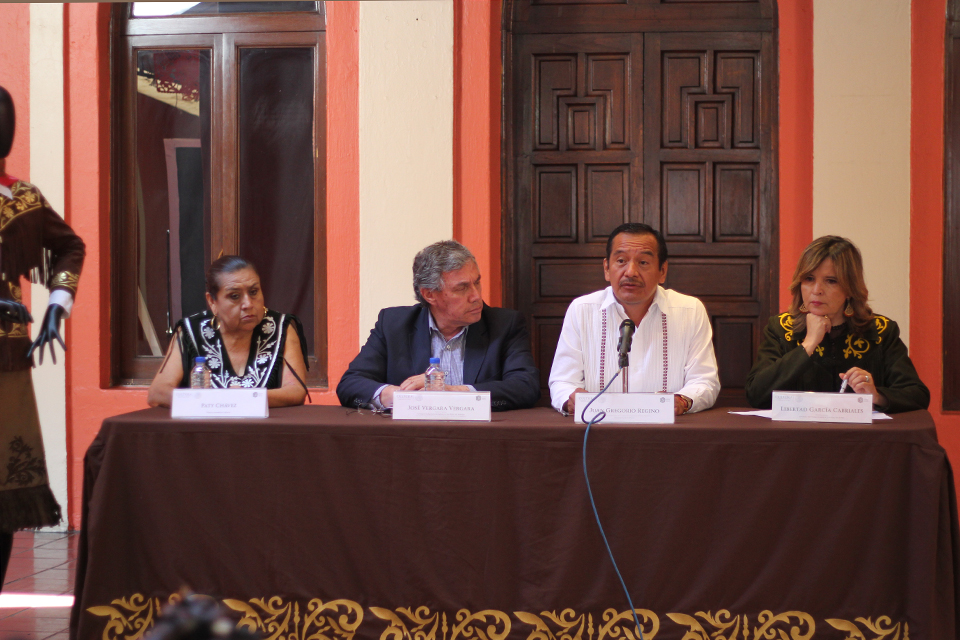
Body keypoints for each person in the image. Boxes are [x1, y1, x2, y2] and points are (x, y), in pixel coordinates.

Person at [0, 85, 85, 589]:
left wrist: (57, 304)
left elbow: (70, 245)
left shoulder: (24, 197)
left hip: (9, 358)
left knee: (8, 495)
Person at [336, 240, 540, 411]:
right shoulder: (393, 324)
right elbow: (350, 384)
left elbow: (526, 387)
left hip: (479, 437)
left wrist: (453, 392)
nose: (476, 296)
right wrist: (399, 396)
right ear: (429, 295)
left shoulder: (504, 325)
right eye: (462, 288)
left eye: (477, 282)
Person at [549, 222, 720, 415]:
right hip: (597, 427)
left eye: (643, 262)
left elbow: (704, 381)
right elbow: (562, 381)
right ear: (606, 268)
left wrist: (682, 401)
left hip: (667, 429)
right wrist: (570, 398)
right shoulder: (582, 310)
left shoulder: (690, 310)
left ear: (662, 271)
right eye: (621, 260)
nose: (630, 272)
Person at [745, 236, 929, 413]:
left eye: (831, 281)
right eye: (809, 279)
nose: (817, 290)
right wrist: (808, 344)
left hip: (860, 434)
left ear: (850, 288)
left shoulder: (880, 331)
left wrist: (876, 396)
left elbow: (917, 395)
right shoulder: (781, 328)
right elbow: (756, 394)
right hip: (800, 433)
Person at [148, 256, 309, 408]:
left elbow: (296, 391)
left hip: (264, 427)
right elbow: (158, 393)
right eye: (235, 296)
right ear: (212, 302)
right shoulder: (192, 331)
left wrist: (249, 397)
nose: (248, 304)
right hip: (205, 426)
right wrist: (220, 400)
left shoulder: (281, 328)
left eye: (253, 292)